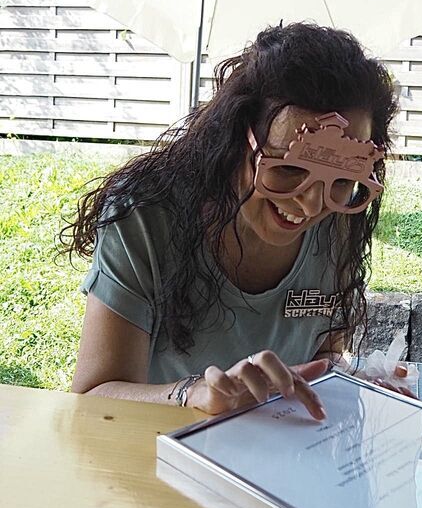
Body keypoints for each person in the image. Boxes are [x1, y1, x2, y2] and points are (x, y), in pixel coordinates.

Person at [65, 22, 397, 419]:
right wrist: (194, 394)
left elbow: (324, 355)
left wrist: (352, 381)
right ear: (234, 141)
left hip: (275, 448)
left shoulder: (338, 221)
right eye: (287, 169)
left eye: (343, 180)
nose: (312, 205)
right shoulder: (145, 218)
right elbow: (93, 397)